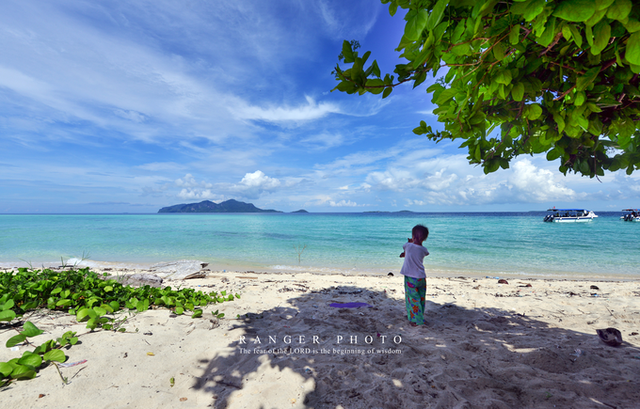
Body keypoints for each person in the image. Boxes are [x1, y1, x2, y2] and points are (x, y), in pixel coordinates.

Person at [399, 224, 430, 327]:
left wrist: (410, 242)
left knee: (412, 299)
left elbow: (406, 247)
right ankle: (419, 316)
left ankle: (416, 320)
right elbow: (424, 253)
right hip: (421, 277)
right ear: (425, 238)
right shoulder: (424, 250)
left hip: (410, 278)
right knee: (421, 298)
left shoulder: (408, 245)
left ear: (413, 237)